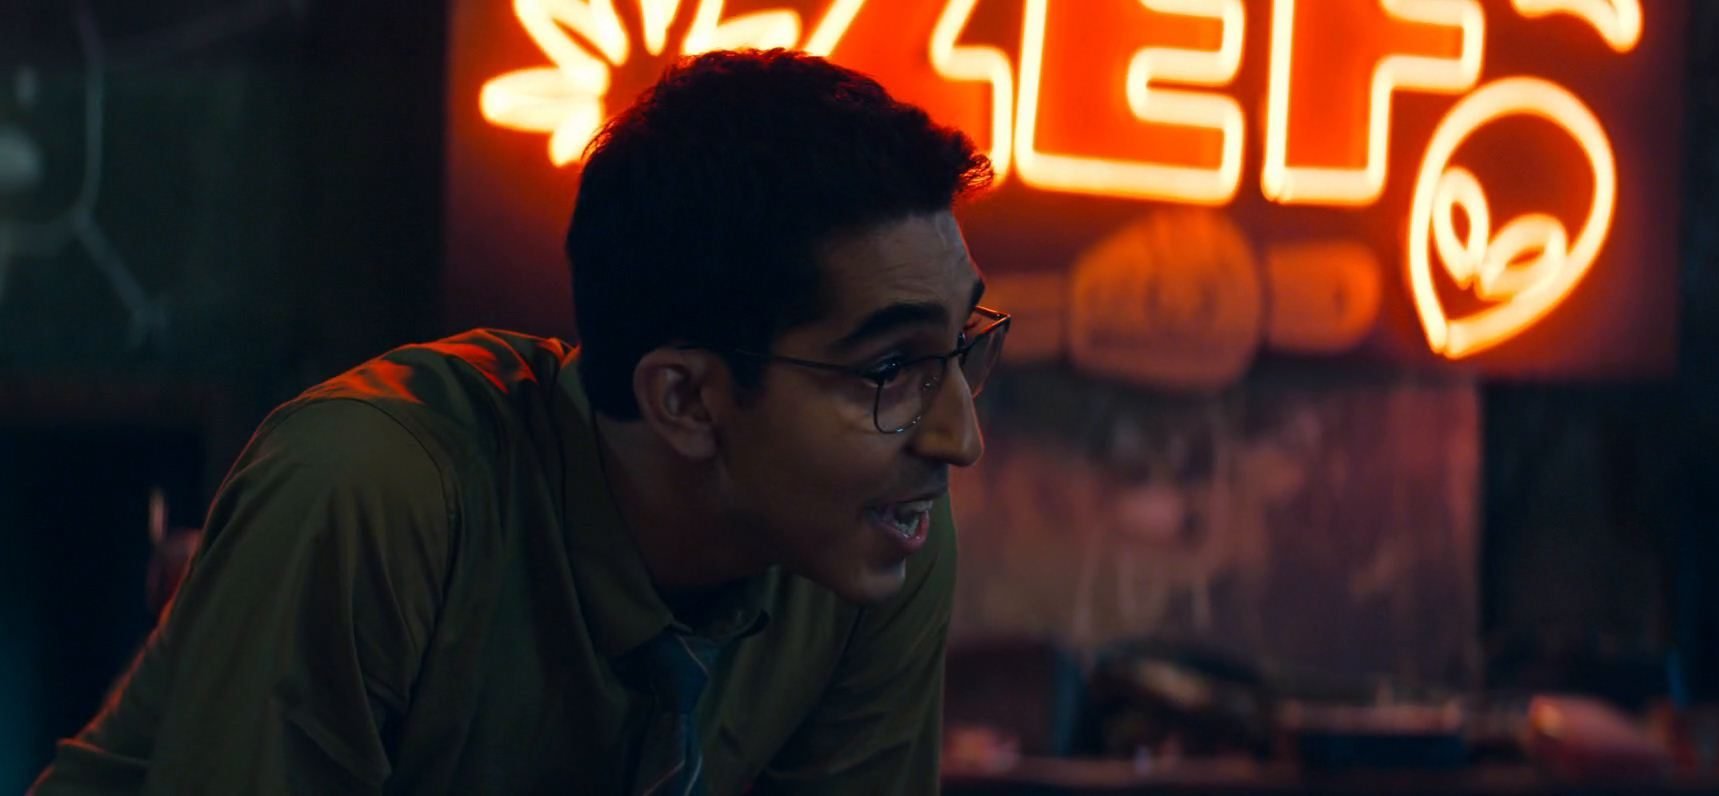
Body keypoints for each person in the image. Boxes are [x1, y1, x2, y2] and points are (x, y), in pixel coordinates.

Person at [33, 48, 1007, 794]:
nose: (958, 439)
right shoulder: (379, 491)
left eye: (961, 345)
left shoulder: (874, 538)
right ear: (685, 399)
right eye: (890, 369)